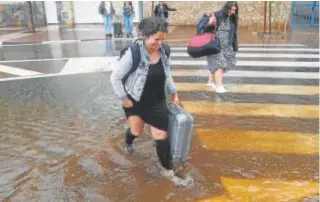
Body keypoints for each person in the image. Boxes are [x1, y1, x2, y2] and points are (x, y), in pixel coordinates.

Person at [110, 17, 185, 179]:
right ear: (145, 36)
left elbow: (167, 72)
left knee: (160, 135)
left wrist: (174, 93)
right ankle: (128, 141)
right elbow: (115, 78)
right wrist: (124, 98)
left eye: (163, 39)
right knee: (136, 131)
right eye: (156, 39)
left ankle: (168, 171)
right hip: (135, 101)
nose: (160, 43)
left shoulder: (164, 51)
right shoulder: (133, 53)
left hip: (157, 100)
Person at [205, 1, 239, 93]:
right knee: (220, 64)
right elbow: (205, 28)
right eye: (231, 9)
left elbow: (233, 34)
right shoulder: (217, 15)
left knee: (228, 62)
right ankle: (219, 86)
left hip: (227, 46)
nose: (233, 12)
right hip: (215, 44)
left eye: (235, 10)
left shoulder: (232, 19)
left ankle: (211, 81)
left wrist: (234, 46)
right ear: (226, 8)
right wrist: (209, 23)